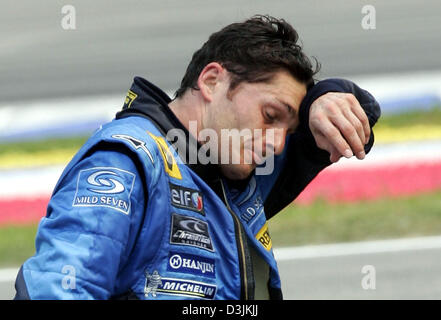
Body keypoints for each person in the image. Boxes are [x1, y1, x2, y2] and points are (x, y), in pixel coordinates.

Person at [14, 15, 380, 300]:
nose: (278, 144)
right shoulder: (127, 162)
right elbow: (57, 288)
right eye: (270, 116)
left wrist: (324, 97)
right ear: (211, 82)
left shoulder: (232, 171)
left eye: (287, 129)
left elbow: (356, 114)